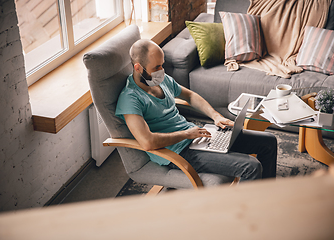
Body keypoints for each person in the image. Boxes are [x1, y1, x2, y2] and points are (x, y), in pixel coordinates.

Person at [115, 39, 277, 181]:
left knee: (268, 141)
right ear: (138, 68)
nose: (161, 71)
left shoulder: (160, 80)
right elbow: (147, 142)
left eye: (162, 65)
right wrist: (186, 134)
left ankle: (265, 195)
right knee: (251, 167)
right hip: (178, 153)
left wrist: (215, 116)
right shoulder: (130, 99)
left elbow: (190, 96)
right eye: (156, 67)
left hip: (195, 137)